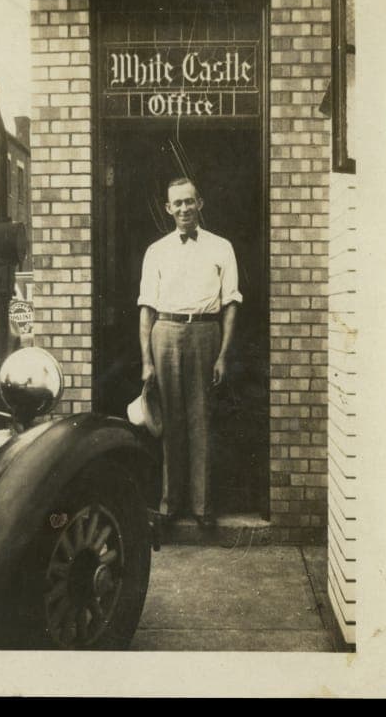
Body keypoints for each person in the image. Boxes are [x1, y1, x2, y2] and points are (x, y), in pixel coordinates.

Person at [137, 177, 242, 528]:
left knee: (201, 419)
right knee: (169, 420)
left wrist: (223, 354)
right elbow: (146, 308)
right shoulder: (156, 251)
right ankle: (169, 506)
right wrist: (147, 361)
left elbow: (230, 304)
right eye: (177, 203)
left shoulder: (221, 247)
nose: (184, 208)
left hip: (205, 333)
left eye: (189, 201)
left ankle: (202, 507)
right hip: (165, 333)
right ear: (168, 209)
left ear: (200, 203)